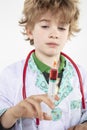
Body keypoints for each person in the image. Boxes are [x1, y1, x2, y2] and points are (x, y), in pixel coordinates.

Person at [0, 0, 87, 130]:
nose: (54, 34)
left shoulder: (81, 74)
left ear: (68, 33)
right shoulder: (11, 75)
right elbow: (2, 122)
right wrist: (14, 112)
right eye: (45, 26)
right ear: (29, 31)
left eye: (62, 28)